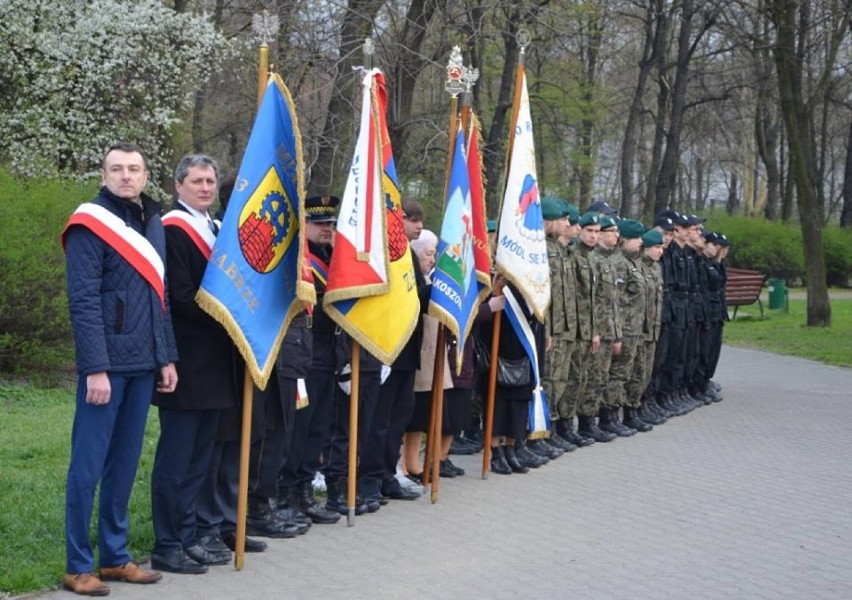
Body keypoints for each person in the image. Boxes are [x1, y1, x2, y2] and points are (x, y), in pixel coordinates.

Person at [61, 142, 178, 596]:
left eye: (134, 169)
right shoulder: (90, 223)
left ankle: (114, 557)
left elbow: (159, 295)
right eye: (117, 169)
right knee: (87, 468)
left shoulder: (152, 219)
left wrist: (165, 356)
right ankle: (77, 565)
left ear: (146, 175)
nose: (126, 176)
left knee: (125, 465)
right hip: (106, 368)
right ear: (104, 174)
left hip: (144, 363)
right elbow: (83, 301)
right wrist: (94, 368)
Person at [150, 154, 237, 575]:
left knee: (201, 460)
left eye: (210, 181)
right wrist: (229, 313)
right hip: (185, 362)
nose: (205, 188)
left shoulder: (216, 229)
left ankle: (188, 536)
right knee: (176, 460)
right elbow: (179, 296)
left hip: (217, 363)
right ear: (179, 185)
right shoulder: (171, 229)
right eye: (197, 181)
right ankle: (166, 543)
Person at [276, 195, 344, 524]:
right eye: (319, 224)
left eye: (330, 224)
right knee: (298, 429)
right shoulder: (300, 261)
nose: (326, 230)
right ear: (304, 226)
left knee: (318, 429)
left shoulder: (335, 259)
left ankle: (304, 490)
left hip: (328, 355)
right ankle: (285, 492)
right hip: (303, 354)